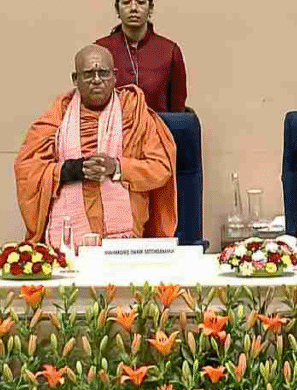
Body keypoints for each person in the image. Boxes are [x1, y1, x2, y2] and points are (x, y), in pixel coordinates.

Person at [15, 44, 177, 246]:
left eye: (104, 73)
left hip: (126, 242)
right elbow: (28, 170)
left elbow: (160, 169)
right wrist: (71, 170)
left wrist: (117, 167)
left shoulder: (134, 112)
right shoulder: (59, 115)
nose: (97, 80)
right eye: (89, 74)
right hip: (69, 242)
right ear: (75, 79)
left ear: (115, 77)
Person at [95, 0, 188, 112]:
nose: (133, 8)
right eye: (126, 2)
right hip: (112, 125)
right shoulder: (100, 50)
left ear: (150, 8)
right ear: (117, 9)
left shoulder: (169, 51)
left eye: (140, 2)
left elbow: (178, 111)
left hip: (159, 125)